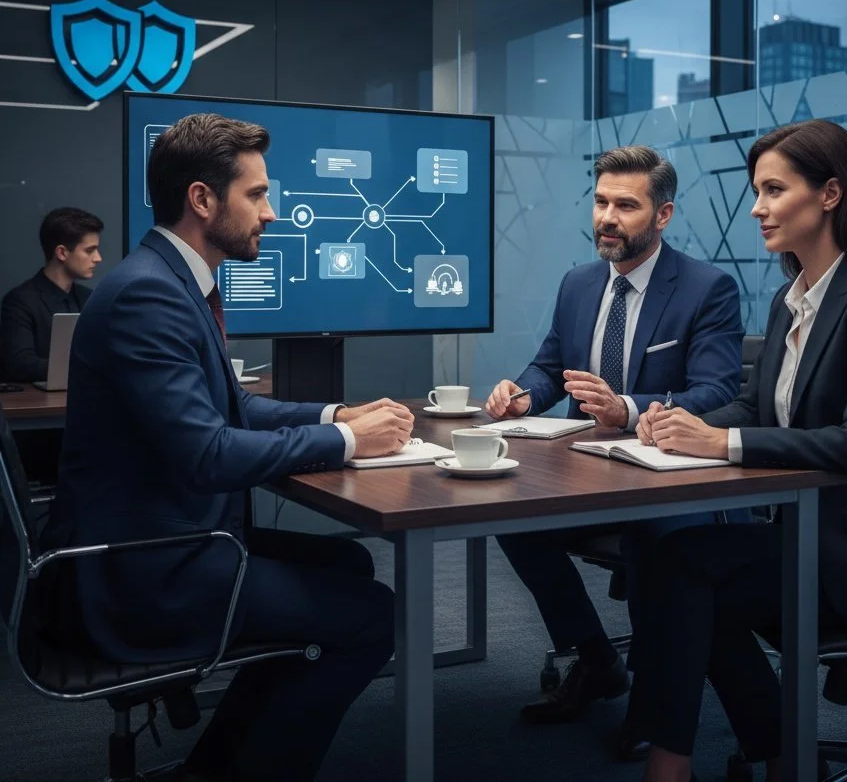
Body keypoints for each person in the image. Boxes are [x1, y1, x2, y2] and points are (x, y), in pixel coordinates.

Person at [44, 113, 416, 782]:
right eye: (258, 195)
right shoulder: (150, 296)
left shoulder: (166, 280)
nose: (271, 214)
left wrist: (338, 412)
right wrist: (346, 441)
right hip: (146, 573)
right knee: (376, 617)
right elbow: (208, 454)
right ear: (202, 199)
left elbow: (233, 407)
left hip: (169, 539)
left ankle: (218, 765)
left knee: (350, 565)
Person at [629, 120, 847, 782]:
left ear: (831, 194)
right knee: (678, 566)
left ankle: (682, 765)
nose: (757, 207)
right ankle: (778, 753)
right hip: (811, 538)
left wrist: (719, 443)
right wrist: (674, 421)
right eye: (757, 191)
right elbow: (759, 409)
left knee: (689, 573)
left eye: (773, 190)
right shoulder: (792, 299)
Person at [485, 145, 744, 749]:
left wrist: (628, 408)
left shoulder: (707, 288)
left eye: (626, 205)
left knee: (661, 544)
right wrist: (522, 394)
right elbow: (551, 369)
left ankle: (657, 708)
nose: (607, 217)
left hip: (668, 480)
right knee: (512, 520)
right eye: (601, 202)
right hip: (587, 476)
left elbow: (717, 390)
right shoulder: (579, 283)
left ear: (663, 215)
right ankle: (597, 659)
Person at [0, 206, 103, 382]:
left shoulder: (90, 298)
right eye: (89, 250)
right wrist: (87, 368)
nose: (98, 258)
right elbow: (20, 364)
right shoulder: (20, 301)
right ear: (62, 253)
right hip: (42, 405)